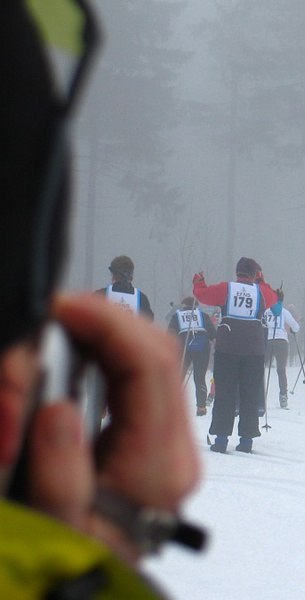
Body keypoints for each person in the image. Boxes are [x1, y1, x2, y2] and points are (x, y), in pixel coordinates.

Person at [1, 2, 201, 595]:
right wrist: (108, 541)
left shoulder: (105, 290)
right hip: (93, 371)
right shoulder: (134, 294)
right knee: (89, 407)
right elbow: (145, 322)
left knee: (88, 403)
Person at [193, 257, 281, 454]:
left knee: (225, 393)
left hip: (227, 349)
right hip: (254, 351)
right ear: (255, 274)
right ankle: (246, 441)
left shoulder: (227, 289)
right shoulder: (261, 291)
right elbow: (274, 299)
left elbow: (203, 295)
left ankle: (221, 439)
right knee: (250, 394)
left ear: (237, 272)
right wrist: (262, 281)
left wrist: (198, 282)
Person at [168, 296, 217, 416]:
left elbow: (170, 334)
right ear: (196, 306)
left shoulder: (177, 316)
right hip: (202, 349)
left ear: (184, 305)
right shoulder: (203, 315)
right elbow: (212, 333)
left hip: (183, 348)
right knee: (199, 378)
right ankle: (201, 407)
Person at [263, 301, 301, 410]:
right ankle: (283, 396)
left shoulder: (266, 311)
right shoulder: (284, 311)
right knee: (281, 370)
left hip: (268, 341)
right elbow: (296, 327)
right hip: (281, 341)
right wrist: (292, 329)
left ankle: (257, 394)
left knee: (260, 368)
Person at [98, 255, 154, 320]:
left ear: (113, 275)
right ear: (131, 276)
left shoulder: (100, 296)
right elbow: (148, 321)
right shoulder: (142, 299)